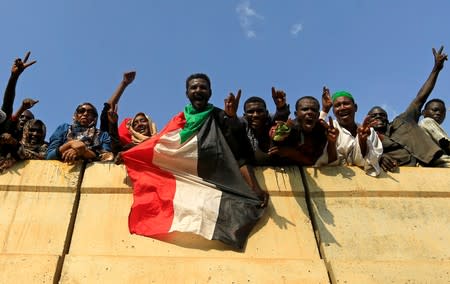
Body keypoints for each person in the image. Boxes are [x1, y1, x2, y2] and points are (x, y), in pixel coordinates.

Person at [367, 46, 449, 171]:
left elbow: (420, 97)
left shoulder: (402, 121)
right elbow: (359, 156)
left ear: (387, 119)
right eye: (374, 115)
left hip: (436, 161)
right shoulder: (367, 139)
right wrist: (379, 157)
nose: (378, 117)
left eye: (382, 115)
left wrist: (436, 69)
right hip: (412, 172)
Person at [320, 89, 382, 176]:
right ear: (333, 111)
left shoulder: (369, 131)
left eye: (346, 104)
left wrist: (362, 141)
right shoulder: (329, 129)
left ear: (355, 107)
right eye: (337, 105)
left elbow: (369, 164)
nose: (342, 108)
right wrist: (331, 142)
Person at [100, 71, 157, 163]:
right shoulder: (129, 147)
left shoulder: (162, 141)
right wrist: (124, 83)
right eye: (135, 123)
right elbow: (116, 149)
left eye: (143, 120)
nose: (140, 124)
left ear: (150, 123)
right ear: (132, 130)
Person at [273, 91, 338, 166]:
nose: (310, 112)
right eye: (305, 109)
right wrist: (279, 134)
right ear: (296, 114)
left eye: (313, 110)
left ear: (318, 115)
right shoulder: (288, 129)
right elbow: (274, 143)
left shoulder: (322, 130)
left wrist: (332, 142)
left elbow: (314, 161)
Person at [46, 102, 112, 163]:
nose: (85, 113)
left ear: (94, 117)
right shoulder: (64, 128)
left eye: (90, 112)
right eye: (81, 111)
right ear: (76, 115)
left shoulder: (103, 135)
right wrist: (70, 144)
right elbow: (49, 156)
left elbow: (107, 158)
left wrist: (83, 151)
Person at [241, 87, 291, 166]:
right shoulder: (242, 125)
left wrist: (281, 107)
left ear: (266, 113)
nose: (255, 115)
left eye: (260, 111)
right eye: (251, 112)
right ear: (244, 116)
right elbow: (232, 124)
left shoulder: (270, 120)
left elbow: (279, 119)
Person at [0, 51, 38, 138]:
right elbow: (7, 104)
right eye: (21, 117)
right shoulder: (7, 130)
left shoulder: (36, 143)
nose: (24, 120)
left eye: (28, 119)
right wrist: (14, 77)